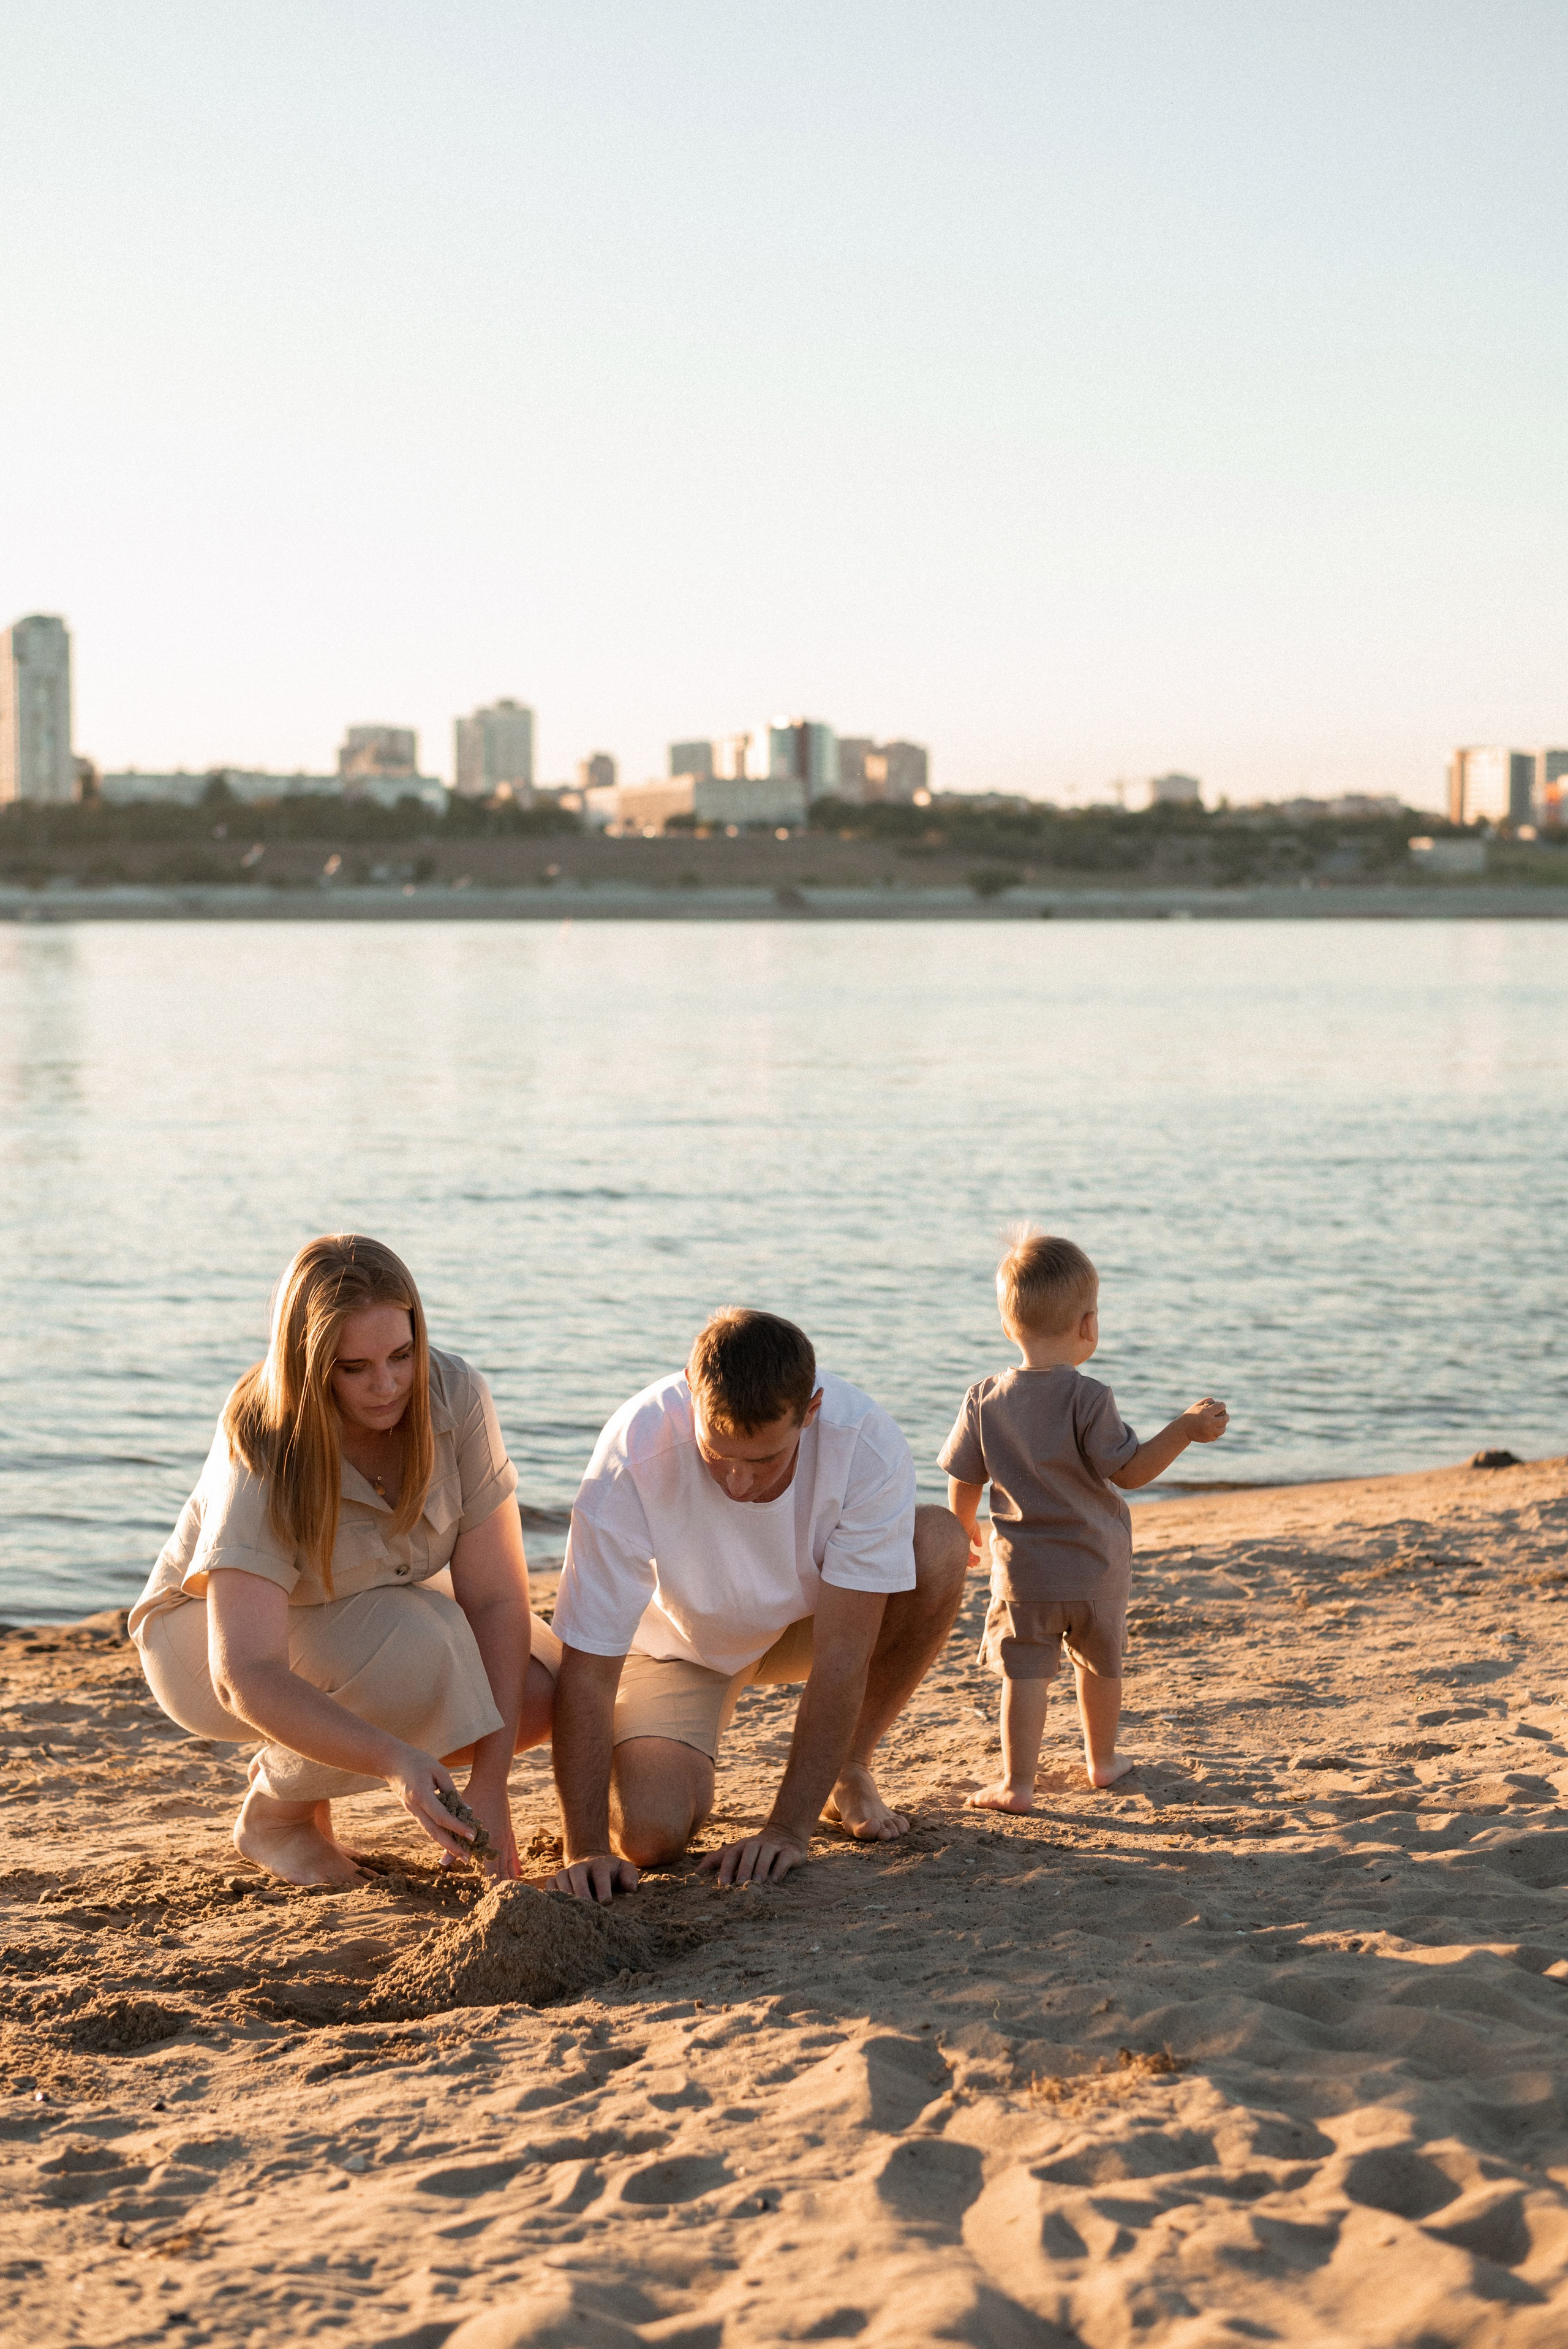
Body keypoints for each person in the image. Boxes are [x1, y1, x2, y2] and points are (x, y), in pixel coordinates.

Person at [129, 1234, 554, 1886]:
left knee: (543, 1686)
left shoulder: (457, 1393)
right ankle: (278, 1815)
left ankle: (308, 1765)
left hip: (364, 1613)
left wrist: (491, 1784)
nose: (386, 1385)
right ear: (311, 1363)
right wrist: (394, 1762)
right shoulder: (265, 1438)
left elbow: (498, 1600)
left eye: (401, 1355)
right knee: (423, 1646)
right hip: (203, 1643)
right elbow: (243, 1671)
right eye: (353, 1368)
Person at [540, 1307, 969, 1902]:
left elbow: (843, 1656)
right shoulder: (631, 1453)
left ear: (810, 1412)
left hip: (807, 1624)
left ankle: (848, 1768)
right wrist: (582, 1847)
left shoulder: (864, 1444)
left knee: (939, 1544)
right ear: (691, 1396)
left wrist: (786, 1830)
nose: (738, 1483)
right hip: (679, 1647)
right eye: (719, 1454)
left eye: (765, 1460)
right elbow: (587, 1673)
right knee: (650, 1837)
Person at [940, 1230, 1229, 1813]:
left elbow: (964, 1476)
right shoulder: (1090, 1398)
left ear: (1006, 1326)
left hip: (1023, 1579)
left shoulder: (983, 1399)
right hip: (1096, 1571)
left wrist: (962, 1527)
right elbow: (1130, 1472)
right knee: (1100, 1664)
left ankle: (1017, 1785)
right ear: (1089, 1326)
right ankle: (1103, 1761)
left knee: (1024, 1676)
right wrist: (1184, 1430)